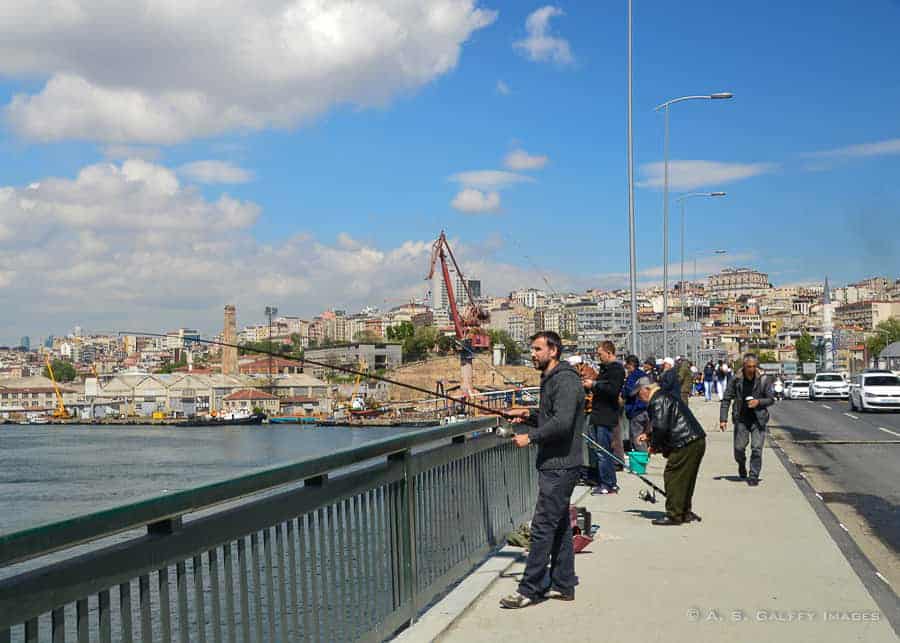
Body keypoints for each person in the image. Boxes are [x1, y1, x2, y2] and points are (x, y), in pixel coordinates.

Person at [500, 331, 585, 608]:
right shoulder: (552, 379)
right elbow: (552, 416)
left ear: (554, 351)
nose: (532, 354)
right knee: (558, 525)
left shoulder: (565, 380)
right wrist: (528, 414)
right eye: (531, 349)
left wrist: (531, 436)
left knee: (541, 527)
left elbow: (562, 423)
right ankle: (564, 583)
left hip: (560, 467)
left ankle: (530, 589)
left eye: (537, 349)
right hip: (554, 464)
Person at [634, 377, 706, 525]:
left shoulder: (657, 400)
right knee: (686, 478)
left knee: (673, 475)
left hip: (684, 441)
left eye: (638, 394)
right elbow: (668, 423)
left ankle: (674, 514)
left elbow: (661, 427)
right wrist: (649, 435)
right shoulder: (666, 395)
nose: (638, 398)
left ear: (645, 390)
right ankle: (684, 511)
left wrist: (653, 446)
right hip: (695, 439)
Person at [719, 353, 775, 486]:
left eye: (754, 366)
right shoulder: (736, 379)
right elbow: (726, 399)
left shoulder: (764, 379)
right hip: (741, 419)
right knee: (739, 449)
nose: (751, 369)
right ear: (744, 366)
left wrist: (758, 402)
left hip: (758, 419)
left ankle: (753, 475)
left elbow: (771, 399)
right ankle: (741, 464)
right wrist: (723, 419)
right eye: (749, 366)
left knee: (756, 448)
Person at [581, 341, 626, 495]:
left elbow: (613, 390)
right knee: (598, 449)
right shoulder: (606, 369)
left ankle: (607, 484)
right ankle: (607, 482)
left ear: (609, 353)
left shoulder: (617, 369)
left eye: (600, 354)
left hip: (606, 415)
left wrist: (593, 384)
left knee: (603, 451)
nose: (598, 357)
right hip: (598, 413)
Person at [622, 355, 649, 452]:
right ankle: (644, 455)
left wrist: (623, 390)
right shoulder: (644, 375)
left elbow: (628, 392)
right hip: (646, 408)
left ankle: (641, 460)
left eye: (626, 365)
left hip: (636, 410)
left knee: (637, 438)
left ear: (630, 365)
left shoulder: (632, 376)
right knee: (644, 436)